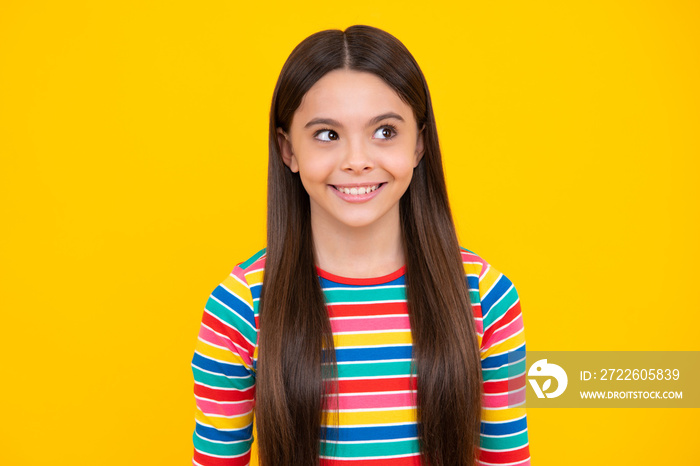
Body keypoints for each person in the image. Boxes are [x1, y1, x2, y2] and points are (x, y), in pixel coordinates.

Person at [191, 25, 530, 466]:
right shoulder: (240, 307)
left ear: (419, 144)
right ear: (287, 149)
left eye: (385, 131)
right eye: (327, 134)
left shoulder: (486, 297)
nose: (357, 160)